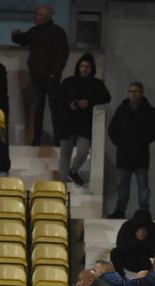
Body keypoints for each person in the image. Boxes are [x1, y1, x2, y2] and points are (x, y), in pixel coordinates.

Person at [11, 4, 68, 146]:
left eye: (38, 14)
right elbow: (22, 40)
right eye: (36, 14)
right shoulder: (34, 31)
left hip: (51, 76)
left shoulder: (58, 32)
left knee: (55, 108)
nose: (35, 16)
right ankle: (36, 138)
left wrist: (55, 73)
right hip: (37, 76)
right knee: (38, 108)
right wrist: (15, 35)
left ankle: (57, 139)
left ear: (46, 17)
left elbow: (62, 54)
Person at [107, 82, 155, 217]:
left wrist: (142, 141)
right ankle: (120, 211)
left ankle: (144, 211)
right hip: (123, 154)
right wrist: (118, 142)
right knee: (122, 185)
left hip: (140, 154)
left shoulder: (150, 111)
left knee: (143, 186)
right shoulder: (122, 109)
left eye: (136, 91)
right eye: (130, 91)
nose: (132, 93)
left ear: (142, 93)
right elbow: (112, 129)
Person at [58, 53, 110, 187]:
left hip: (85, 123)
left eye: (87, 66)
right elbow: (58, 99)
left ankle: (73, 170)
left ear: (92, 68)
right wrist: (70, 104)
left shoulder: (97, 84)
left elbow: (106, 98)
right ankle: (62, 184)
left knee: (83, 150)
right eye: (82, 66)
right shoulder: (68, 82)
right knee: (65, 153)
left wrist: (89, 102)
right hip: (67, 121)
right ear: (78, 67)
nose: (84, 69)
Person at [110, 209, 155, 276]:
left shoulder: (154, 228)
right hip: (130, 258)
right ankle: (120, 275)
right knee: (115, 252)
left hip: (148, 260)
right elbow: (120, 245)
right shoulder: (127, 226)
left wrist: (145, 240)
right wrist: (136, 240)